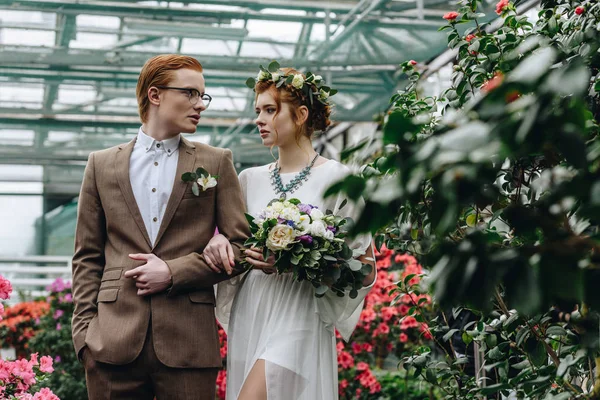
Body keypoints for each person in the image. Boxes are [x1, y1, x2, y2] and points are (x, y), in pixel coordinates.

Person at [71, 54, 250, 400]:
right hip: (110, 344)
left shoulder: (216, 161)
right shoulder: (101, 164)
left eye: (203, 96)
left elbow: (241, 248)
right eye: (190, 93)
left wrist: (173, 271)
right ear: (155, 95)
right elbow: (87, 257)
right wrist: (85, 337)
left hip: (189, 343)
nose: (201, 104)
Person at [206, 66, 377, 400]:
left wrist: (299, 258)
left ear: (300, 115)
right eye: (258, 111)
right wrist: (222, 242)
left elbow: (366, 268)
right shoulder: (247, 179)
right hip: (253, 308)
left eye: (270, 110)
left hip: (300, 312)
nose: (259, 119)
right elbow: (231, 243)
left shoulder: (339, 179)